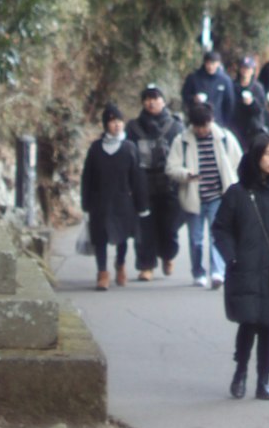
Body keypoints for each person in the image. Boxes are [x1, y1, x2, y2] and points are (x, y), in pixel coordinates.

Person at [211, 133, 269, 400]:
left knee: (268, 325)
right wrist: (232, 257)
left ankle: (264, 381)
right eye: (268, 154)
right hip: (246, 269)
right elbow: (221, 229)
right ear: (256, 157)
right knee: (248, 323)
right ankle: (240, 374)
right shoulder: (238, 193)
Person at [166, 99, 238, 286]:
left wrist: (232, 183)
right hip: (193, 197)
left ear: (211, 121)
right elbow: (171, 168)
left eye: (204, 126)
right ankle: (198, 272)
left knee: (217, 236)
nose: (201, 130)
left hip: (218, 196)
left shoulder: (224, 138)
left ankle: (217, 272)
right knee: (196, 238)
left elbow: (238, 161)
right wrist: (186, 174)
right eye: (197, 126)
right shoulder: (181, 141)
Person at [78, 104, 149, 289]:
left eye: (119, 121)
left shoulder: (129, 148)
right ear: (105, 125)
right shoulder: (95, 149)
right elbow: (87, 178)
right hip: (99, 201)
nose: (116, 125)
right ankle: (102, 273)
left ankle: (121, 265)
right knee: (100, 238)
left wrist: (142, 206)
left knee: (122, 237)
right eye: (112, 122)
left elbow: (138, 179)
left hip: (123, 201)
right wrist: (85, 206)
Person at [126, 84, 183, 277]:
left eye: (155, 98)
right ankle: (146, 265)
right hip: (143, 184)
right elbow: (128, 155)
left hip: (169, 184)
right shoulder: (133, 128)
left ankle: (168, 256)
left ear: (163, 101)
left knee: (169, 225)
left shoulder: (175, 126)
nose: (151, 102)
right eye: (147, 98)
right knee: (144, 226)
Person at [180, 44, 236, 129]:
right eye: (208, 63)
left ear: (218, 64)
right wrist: (193, 99)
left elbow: (229, 103)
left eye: (213, 63)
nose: (210, 66)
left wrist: (225, 123)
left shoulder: (225, 80)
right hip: (196, 120)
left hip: (217, 122)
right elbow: (185, 95)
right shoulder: (194, 77)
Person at [228, 52, 269, 151]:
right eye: (243, 68)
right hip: (236, 126)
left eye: (248, 69)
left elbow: (261, 110)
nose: (245, 71)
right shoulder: (233, 85)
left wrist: (252, 103)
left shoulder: (257, 88)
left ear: (252, 71)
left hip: (252, 129)